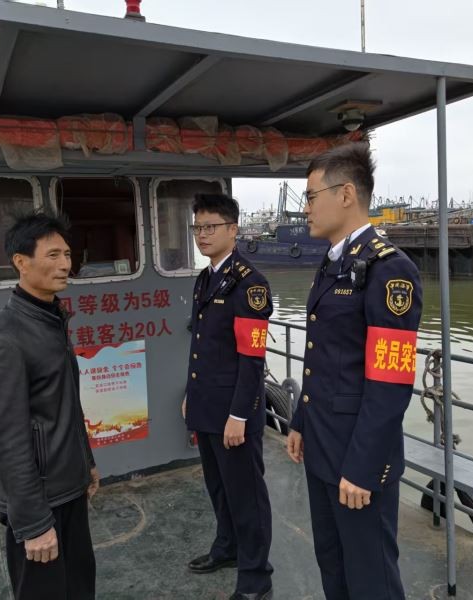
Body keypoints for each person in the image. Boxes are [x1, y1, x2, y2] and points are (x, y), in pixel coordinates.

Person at [286, 144, 423, 599]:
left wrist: (364, 469)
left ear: (345, 194)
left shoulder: (389, 271)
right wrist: (300, 422)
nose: (305, 208)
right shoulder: (333, 264)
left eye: (310, 196)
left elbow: (390, 384)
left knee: (371, 579)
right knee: (333, 566)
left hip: (358, 459)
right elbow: (323, 358)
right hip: (323, 447)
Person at [0, 212, 100, 600]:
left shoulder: (50, 320)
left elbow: (66, 407)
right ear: (21, 262)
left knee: (79, 588)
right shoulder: (3, 340)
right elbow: (7, 440)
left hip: (68, 487)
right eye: (53, 255)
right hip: (41, 503)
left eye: (67, 254)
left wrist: (86, 462)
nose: (65, 265)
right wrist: (33, 524)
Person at [182, 193, 274, 600]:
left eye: (210, 227)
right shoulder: (206, 278)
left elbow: (252, 359)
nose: (202, 234)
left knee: (246, 496)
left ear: (233, 229)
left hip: (233, 414)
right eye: (197, 227)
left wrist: (240, 415)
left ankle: (256, 577)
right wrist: (191, 393)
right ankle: (227, 548)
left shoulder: (250, 284)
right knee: (218, 487)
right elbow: (200, 346)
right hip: (207, 406)